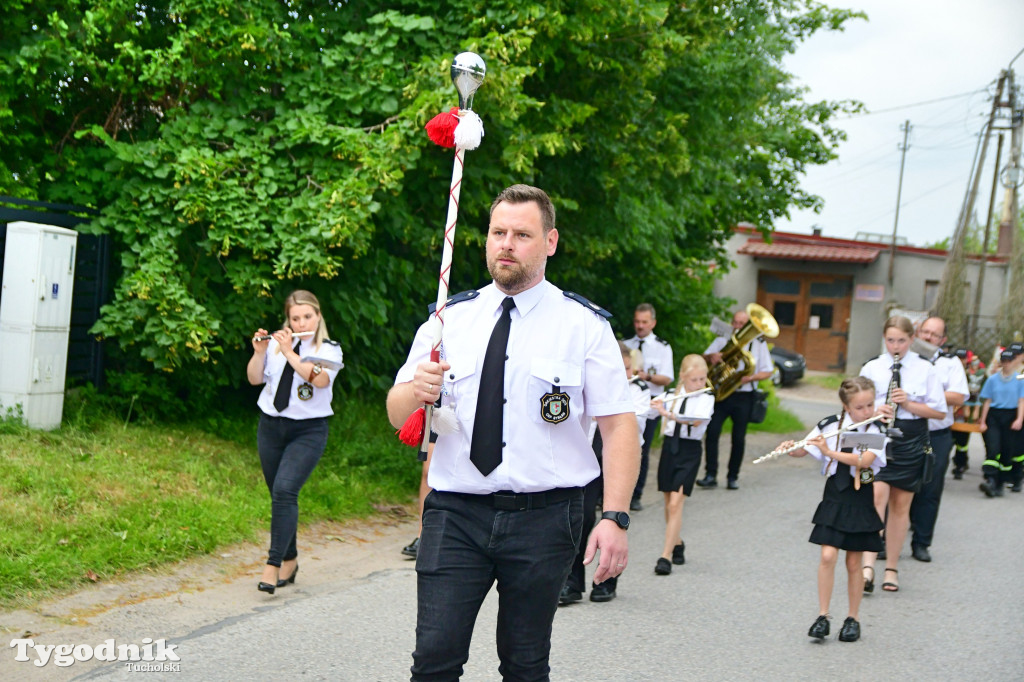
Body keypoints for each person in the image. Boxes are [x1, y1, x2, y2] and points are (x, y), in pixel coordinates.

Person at [386, 184, 640, 681]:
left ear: (550, 242)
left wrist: (614, 517)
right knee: (434, 660)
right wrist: (417, 388)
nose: (506, 243)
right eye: (498, 232)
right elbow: (397, 415)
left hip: (545, 517)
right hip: (456, 513)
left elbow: (618, 427)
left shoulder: (583, 325)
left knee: (525, 665)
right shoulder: (448, 319)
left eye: (521, 234)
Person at [247, 290, 344, 594]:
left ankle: (272, 565)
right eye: (295, 317)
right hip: (270, 426)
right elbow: (254, 379)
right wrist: (260, 352)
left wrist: (290, 352)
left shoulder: (329, 349)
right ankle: (290, 559)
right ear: (287, 319)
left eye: (308, 316)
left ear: (318, 316)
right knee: (279, 495)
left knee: (285, 489)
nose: (303, 322)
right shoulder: (277, 346)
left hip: (308, 430)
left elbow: (319, 380)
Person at [780, 376, 887, 642]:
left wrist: (830, 451)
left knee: (853, 562)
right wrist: (790, 448)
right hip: (835, 493)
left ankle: (853, 618)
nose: (866, 411)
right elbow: (805, 450)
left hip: (860, 494)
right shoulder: (829, 425)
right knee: (828, 556)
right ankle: (823, 616)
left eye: (870, 405)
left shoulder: (875, 430)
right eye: (860, 407)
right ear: (846, 406)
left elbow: (864, 460)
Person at [859, 316, 945, 593]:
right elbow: (854, 407)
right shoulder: (872, 367)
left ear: (912, 339)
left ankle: (892, 568)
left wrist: (908, 403)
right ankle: (868, 566)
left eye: (902, 340)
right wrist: (874, 411)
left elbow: (939, 412)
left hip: (911, 438)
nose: (895, 346)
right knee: (875, 497)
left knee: (900, 507)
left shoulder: (925, 368)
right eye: (890, 340)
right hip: (879, 435)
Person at [560, 341, 649, 605]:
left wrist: (608, 412)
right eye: (619, 369)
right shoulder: (590, 384)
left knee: (612, 520)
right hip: (588, 461)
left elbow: (633, 424)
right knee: (583, 519)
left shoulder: (637, 390)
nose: (624, 374)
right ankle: (572, 582)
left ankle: (607, 581)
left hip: (614, 461)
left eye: (628, 368)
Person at [908, 317, 968, 563]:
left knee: (930, 489)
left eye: (935, 334)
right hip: (907, 432)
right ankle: (883, 540)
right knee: (897, 486)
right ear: (917, 333)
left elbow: (958, 397)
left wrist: (927, 395)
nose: (929, 337)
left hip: (937, 435)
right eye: (925, 332)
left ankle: (921, 543)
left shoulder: (950, 364)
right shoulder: (904, 360)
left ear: (942, 340)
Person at [651, 354, 714, 575]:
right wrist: (653, 406)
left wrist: (667, 413)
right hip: (671, 448)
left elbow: (696, 420)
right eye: (695, 380)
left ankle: (665, 556)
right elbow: (651, 414)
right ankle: (677, 543)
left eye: (702, 379)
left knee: (677, 503)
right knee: (668, 503)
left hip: (689, 450)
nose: (699, 384)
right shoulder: (670, 395)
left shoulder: (706, 398)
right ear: (684, 377)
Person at [698, 309, 773, 490]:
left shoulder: (758, 343)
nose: (737, 327)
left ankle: (733, 477)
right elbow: (702, 358)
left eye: (741, 324)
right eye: (735, 323)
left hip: (744, 395)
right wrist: (711, 357)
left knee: (738, 438)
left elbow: (767, 370)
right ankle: (710, 474)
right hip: (722, 394)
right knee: (712, 432)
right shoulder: (723, 340)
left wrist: (751, 378)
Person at [623, 303, 674, 510]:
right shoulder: (625, 345)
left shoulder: (662, 347)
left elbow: (668, 378)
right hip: (627, 397)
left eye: (644, 322)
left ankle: (636, 494)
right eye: (637, 321)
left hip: (650, 403)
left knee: (641, 448)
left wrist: (647, 376)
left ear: (653, 323)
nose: (640, 326)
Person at [977, 347, 1024, 497]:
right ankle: (990, 479)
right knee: (993, 448)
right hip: (994, 416)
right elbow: (987, 401)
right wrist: (983, 421)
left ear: (1013, 362)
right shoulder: (992, 379)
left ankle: (1000, 483)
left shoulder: (1019, 379)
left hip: (1011, 416)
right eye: (1004, 361)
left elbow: (1021, 401)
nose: (1007, 364)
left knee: (1006, 451)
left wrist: (1019, 419)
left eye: (1009, 361)